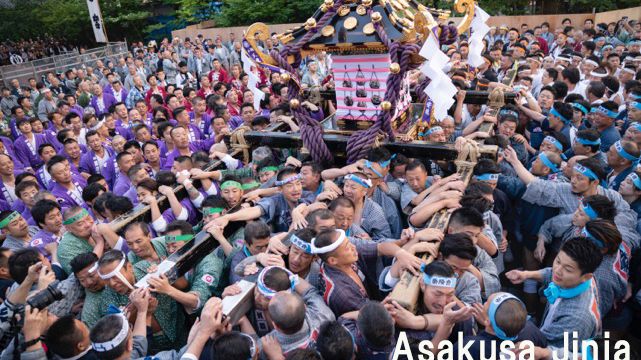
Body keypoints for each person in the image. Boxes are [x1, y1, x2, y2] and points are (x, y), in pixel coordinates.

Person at [506, 238, 603, 356]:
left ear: (586, 276)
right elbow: (551, 272)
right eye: (557, 261)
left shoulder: (575, 319)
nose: (558, 270)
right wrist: (526, 274)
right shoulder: (578, 280)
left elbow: (548, 350)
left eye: (567, 269)